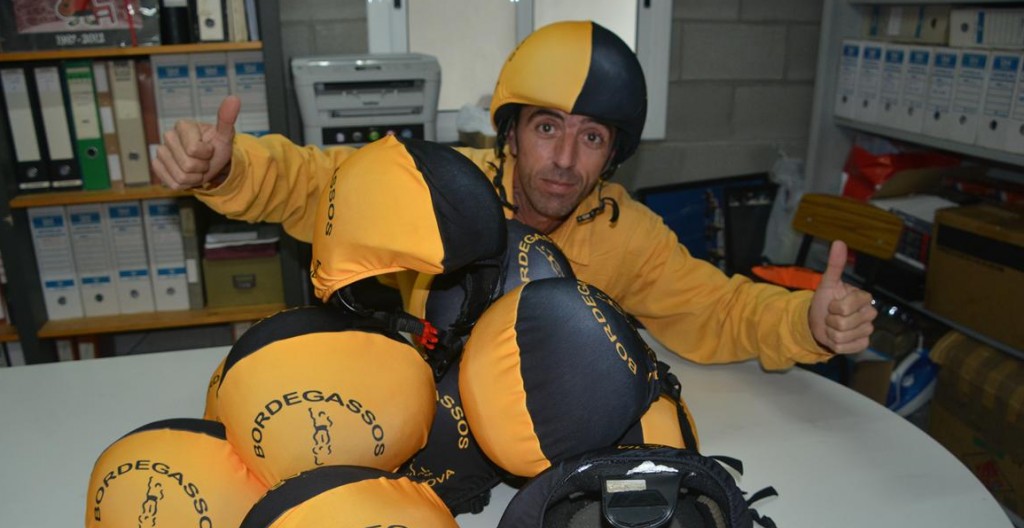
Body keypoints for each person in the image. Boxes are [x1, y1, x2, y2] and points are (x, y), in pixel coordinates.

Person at [153, 20, 875, 371]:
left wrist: (805, 323)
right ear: (510, 133)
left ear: (612, 156)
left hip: (541, 438)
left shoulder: (627, 235)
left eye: (591, 138)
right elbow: (314, 185)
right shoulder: (436, 184)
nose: (563, 160)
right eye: (548, 128)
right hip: (410, 403)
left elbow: (721, 310)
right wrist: (224, 168)